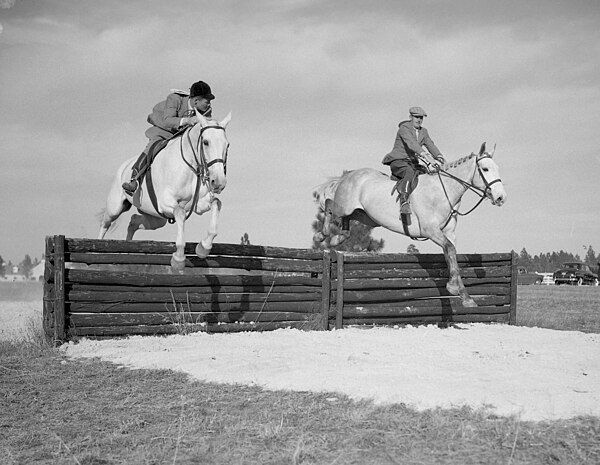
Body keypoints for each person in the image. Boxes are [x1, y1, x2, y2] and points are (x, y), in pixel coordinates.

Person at [122, 80, 216, 194]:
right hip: (163, 128)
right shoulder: (175, 99)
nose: (209, 104)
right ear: (196, 100)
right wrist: (188, 120)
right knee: (153, 146)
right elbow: (167, 121)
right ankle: (134, 179)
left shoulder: (206, 111)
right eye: (207, 101)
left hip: (181, 134)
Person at [381, 106, 446, 217]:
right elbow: (412, 144)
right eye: (416, 117)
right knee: (410, 172)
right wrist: (426, 156)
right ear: (411, 117)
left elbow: (430, 145)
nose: (419, 120)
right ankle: (404, 201)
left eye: (421, 118)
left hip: (412, 162)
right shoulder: (404, 128)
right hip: (398, 161)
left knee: (427, 175)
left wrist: (439, 157)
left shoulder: (424, 132)